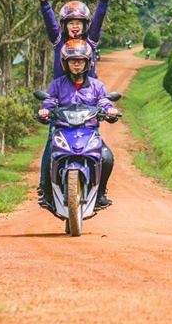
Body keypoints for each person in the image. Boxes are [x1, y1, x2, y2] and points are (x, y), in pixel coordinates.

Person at [36, 0, 116, 210]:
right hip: (62, 107)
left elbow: (99, 22)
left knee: (104, 154)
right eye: (70, 22)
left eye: (79, 23)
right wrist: (44, 4)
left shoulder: (90, 42)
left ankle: (99, 192)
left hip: (87, 109)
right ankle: (46, 188)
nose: (74, 26)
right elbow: (50, 25)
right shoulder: (59, 42)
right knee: (51, 145)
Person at [38, 40, 121, 213]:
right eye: (73, 61)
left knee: (106, 157)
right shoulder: (57, 84)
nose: (77, 65)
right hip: (63, 131)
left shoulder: (97, 86)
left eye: (81, 61)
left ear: (88, 63)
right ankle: (47, 194)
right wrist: (45, 111)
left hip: (89, 132)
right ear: (65, 63)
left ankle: (99, 195)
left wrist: (110, 110)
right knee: (50, 156)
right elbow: (49, 101)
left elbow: (104, 101)